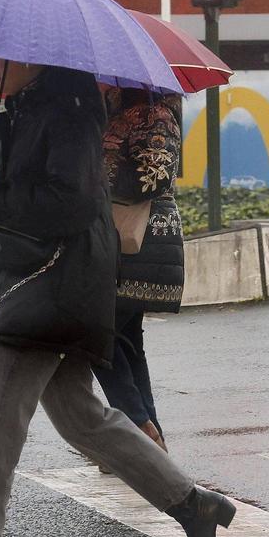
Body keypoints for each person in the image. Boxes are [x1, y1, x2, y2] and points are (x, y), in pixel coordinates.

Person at [0, 60, 234, 537]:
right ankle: (192, 505)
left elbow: (69, 204)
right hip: (45, 281)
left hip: (57, 284)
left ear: (35, 59)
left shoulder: (67, 111)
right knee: (78, 413)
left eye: (2, 59)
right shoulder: (29, 108)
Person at [92, 86, 186, 454]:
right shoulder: (119, 115)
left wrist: (99, 176)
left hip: (141, 242)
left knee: (100, 340)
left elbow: (154, 178)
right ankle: (149, 436)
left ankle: (137, 428)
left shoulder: (155, 117)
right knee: (127, 343)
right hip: (126, 242)